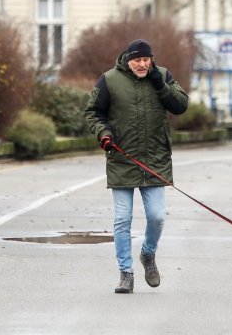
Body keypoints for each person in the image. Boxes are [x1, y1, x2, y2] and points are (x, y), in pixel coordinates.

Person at [84, 38, 189, 294]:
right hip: (122, 159)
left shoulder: (162, 75)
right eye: (137, 60)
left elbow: (181, 105)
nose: (142, 64)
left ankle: (148, 254)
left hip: (155, 160)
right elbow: (93, 113)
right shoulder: (109, 80)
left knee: (157, 216)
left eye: (146, 59)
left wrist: (160, 84)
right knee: (122, 219)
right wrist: (103, 135)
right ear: (127, 59)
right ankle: (126, 273)